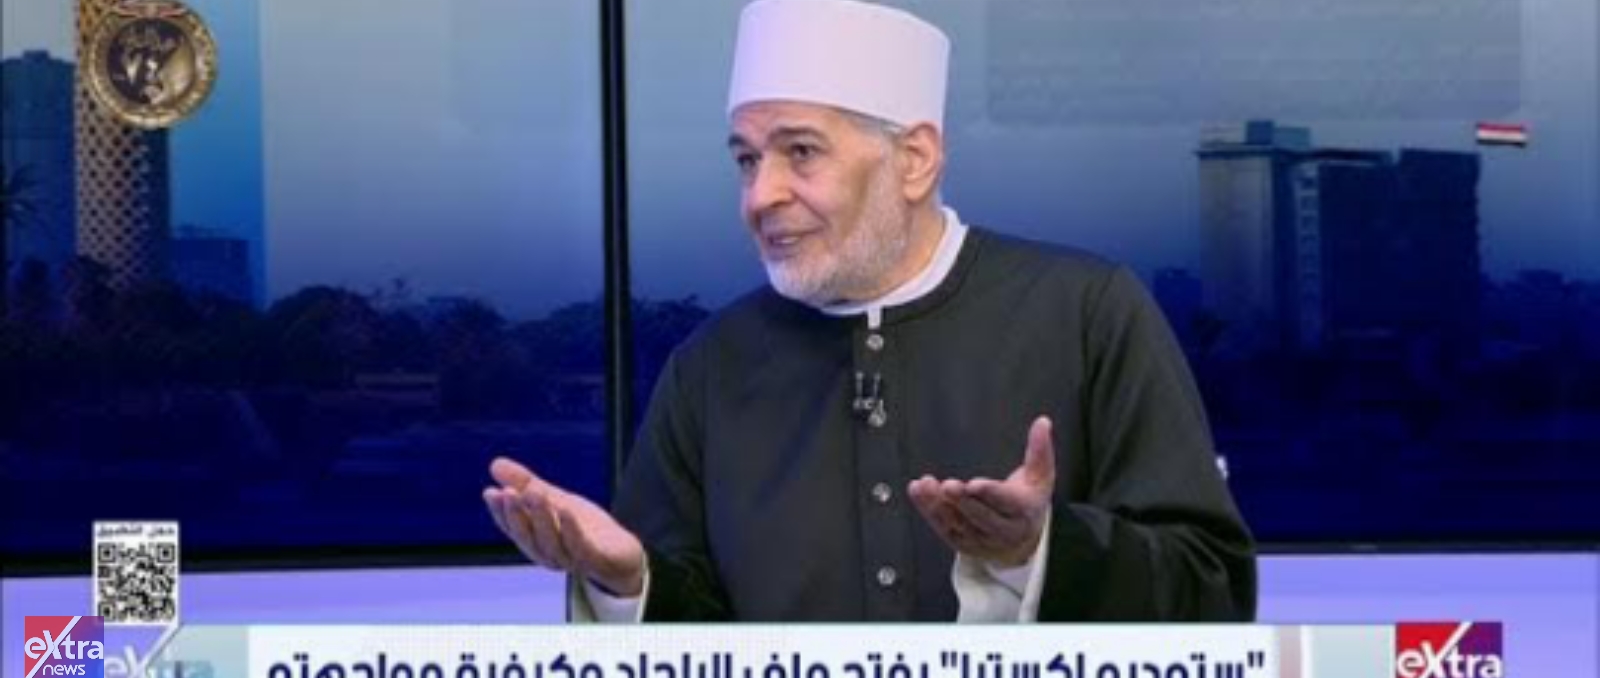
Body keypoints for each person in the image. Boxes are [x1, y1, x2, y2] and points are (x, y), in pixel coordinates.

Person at [482, 0, 1256, 622]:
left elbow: (1213, 590)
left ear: (914, 161)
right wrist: (628, 584)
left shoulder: (1088, 312)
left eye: (801, 152)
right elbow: (696, 659)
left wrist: (1042, 551)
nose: (760, 195)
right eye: (747, 160)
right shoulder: (709, 369)